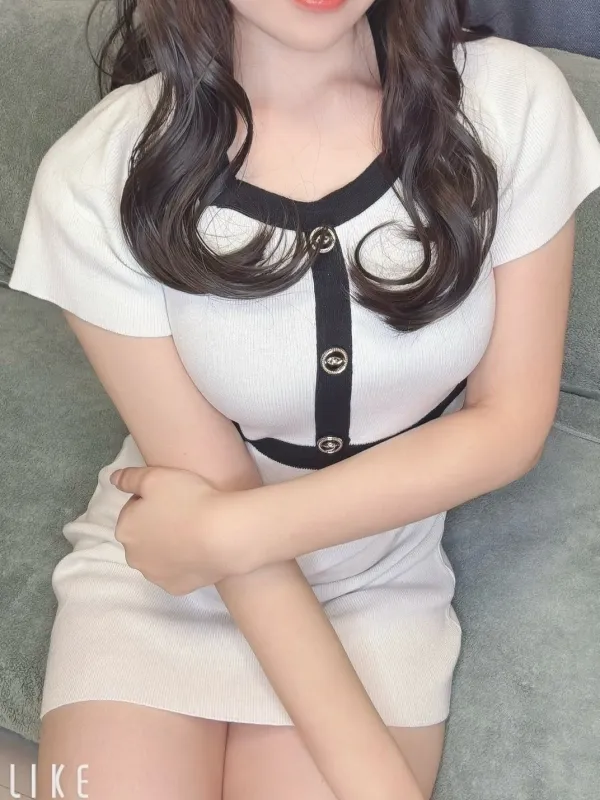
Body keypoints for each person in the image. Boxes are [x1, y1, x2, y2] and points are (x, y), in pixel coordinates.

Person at [8, 0, 600, 798]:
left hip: (367, 572)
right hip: (165, 568)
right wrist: (215, 533)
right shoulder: (101, 171)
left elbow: (509, 425)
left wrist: (227, 532)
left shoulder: (509, 101)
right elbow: (208, 490)